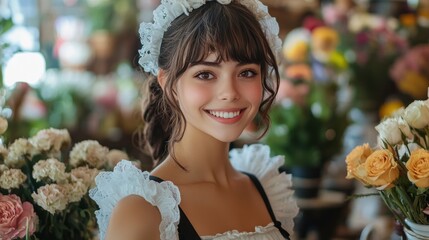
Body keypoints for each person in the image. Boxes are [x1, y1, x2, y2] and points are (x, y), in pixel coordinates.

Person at [89, 1, 299, 239]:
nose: (229, 92)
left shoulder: (266, 190)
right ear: (167, 83)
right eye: (205, 74)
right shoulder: (142, 211)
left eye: (246, 72)